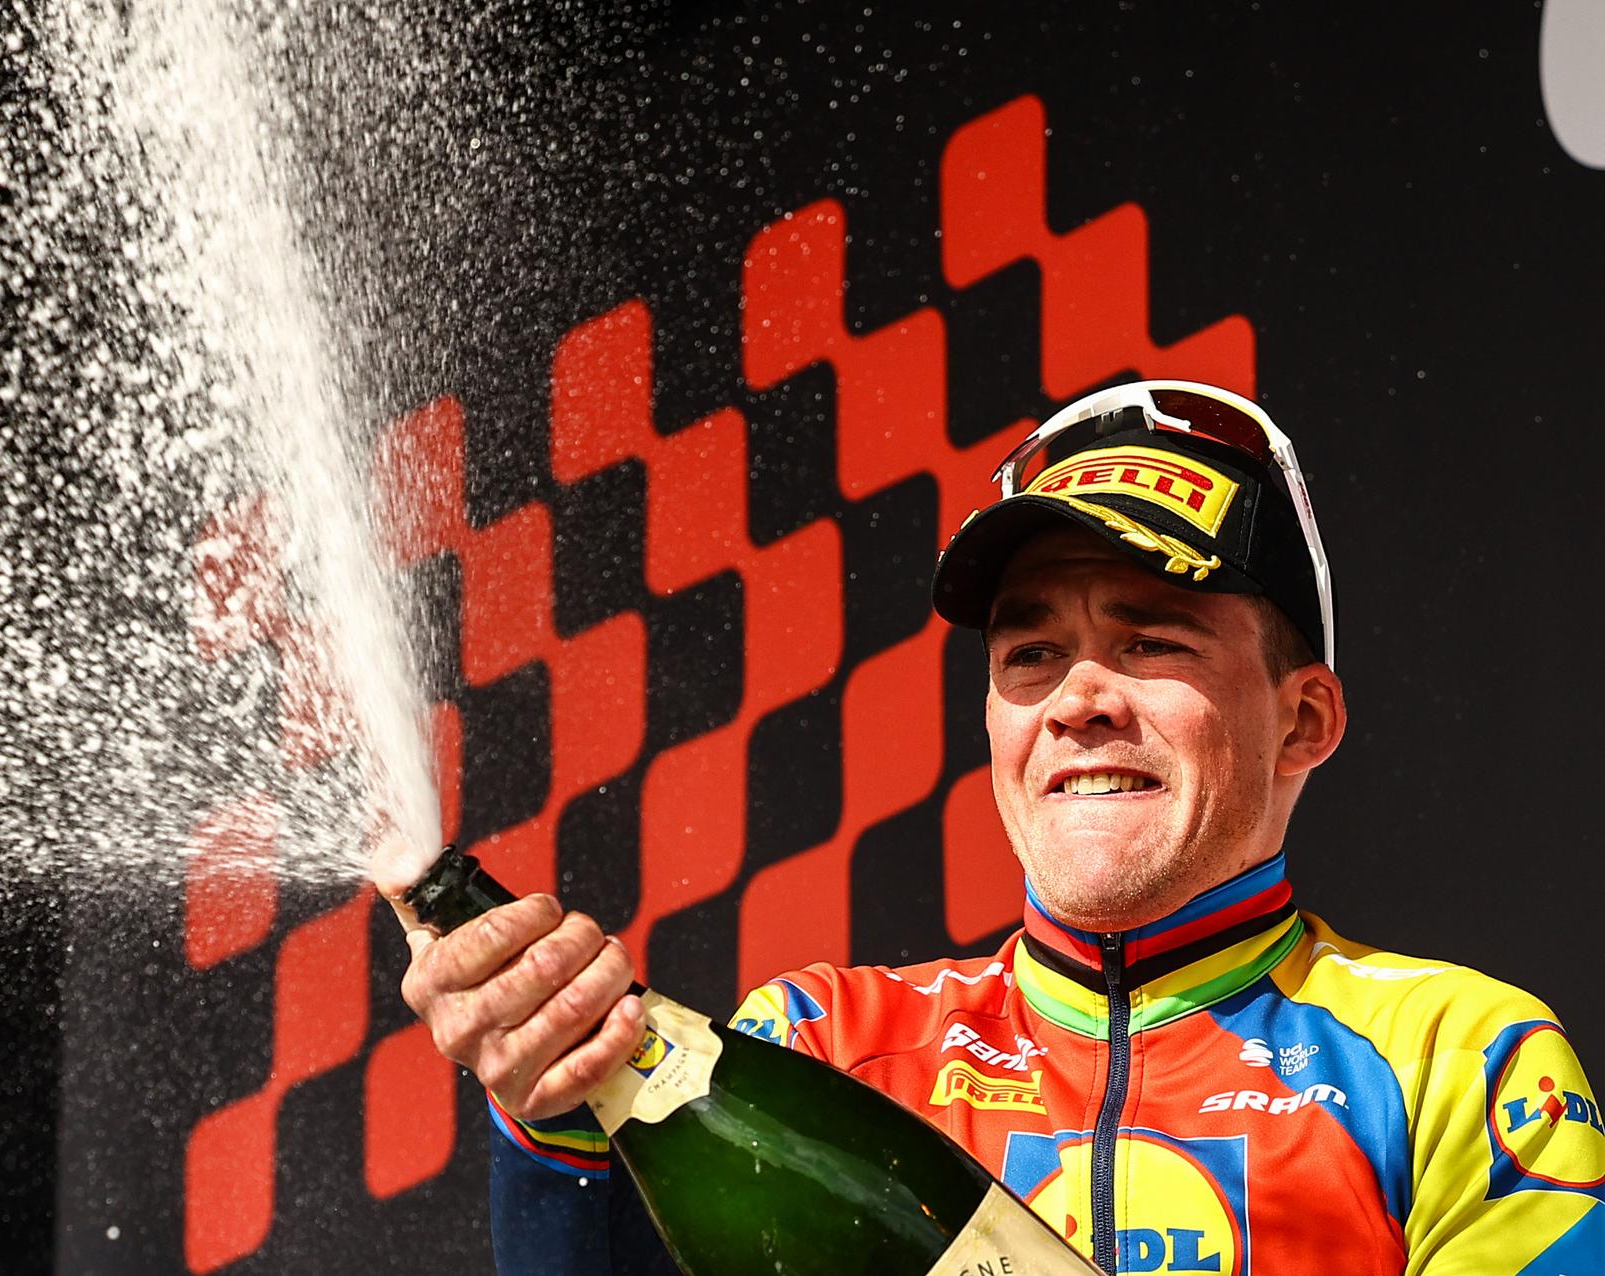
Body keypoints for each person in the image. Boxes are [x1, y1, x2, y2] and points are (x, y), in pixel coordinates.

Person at [399, 381, 1604, 1274]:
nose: (1079, 698)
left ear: (1304, 720)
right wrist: (550, 1107)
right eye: (1032, 653)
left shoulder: (1462, 1059)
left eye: (1150, 640)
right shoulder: (821, 1041)